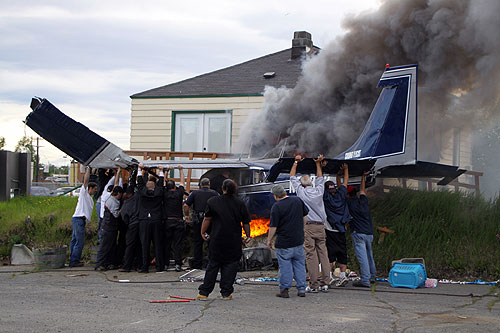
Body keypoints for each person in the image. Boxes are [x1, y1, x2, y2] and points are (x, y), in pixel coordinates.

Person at [197, 179, 251, 300]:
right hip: (234, 240)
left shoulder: (213, 202)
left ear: (223, 188)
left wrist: (203, 232)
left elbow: (207, 219)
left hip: (217, 239)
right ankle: (226, 293)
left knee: (213, 266)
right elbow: (246, 222)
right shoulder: (240, 203)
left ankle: (204, 293)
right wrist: (248, 235)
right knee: (231, 267)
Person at [290, 154, 330, 293]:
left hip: (309, 226)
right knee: (323, 253)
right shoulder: (319, 190)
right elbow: (320, 178)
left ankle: (313, 285)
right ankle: (326, 282)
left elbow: (291, 177)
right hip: (321, 226)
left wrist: (296, 162)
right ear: (311, 183)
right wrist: (318, 163)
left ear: (302, 184)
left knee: (311, 255)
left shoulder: (301, 192)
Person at [266, 184, 309, 298]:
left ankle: (285, 290)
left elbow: (273, 226)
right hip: (298, 240)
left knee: (285, 266)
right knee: (300, 265)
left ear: (276, 196)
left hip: (284, 242)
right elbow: (305, 216)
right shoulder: (297, 201)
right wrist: (303, 229)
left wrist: (269, 240)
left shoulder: (277, 207)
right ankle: (301, 289)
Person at [323, 163, 351, 287]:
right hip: (342, 229)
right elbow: (345, 183)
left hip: (330, 230)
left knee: (330, 254)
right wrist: (345, 170)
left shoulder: (326, 197)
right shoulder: (341, 195)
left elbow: (320, 183)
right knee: (342, 253)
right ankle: (342, 276)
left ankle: (329, 277)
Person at [347, 171, 376, 288]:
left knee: (363, 258)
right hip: (369, 233)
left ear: (348, 195)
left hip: (358, 233)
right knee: (370, 256)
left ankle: (365, 280)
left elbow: (340, 188)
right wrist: (363, 176)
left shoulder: (348, 202)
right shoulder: (363, 200)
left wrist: (340, 176)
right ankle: (372, 276)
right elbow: (363, 190)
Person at [183, 177, 219, 269]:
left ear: (200, 185)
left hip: (198, 221)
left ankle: (198, 264)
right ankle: (211, 262)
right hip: (211, 220)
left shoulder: (194, 193)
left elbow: (186, 205)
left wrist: (187, 216)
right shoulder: (215, 193)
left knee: (198, 242)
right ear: (209, 184)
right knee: (211, 241)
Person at [137, 164, 164, 273]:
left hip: (144, 219)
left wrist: (140, 170)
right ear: (154, 187)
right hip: (156, 219)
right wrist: (161, 171)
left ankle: (144, 267)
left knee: (145, 244)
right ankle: (159, 266)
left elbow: (139, 183)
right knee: (157, 243)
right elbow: (161, 185)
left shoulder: (142, 193)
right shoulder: (158, 192)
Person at [69, 167, 98, 267]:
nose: (95, 191)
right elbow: (86, 181)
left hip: (80, 220)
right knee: (79, 241)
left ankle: (72, 258)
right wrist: (88, 170)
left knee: (74, 240)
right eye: (94, 189)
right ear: (89, 188)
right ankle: (74, 261)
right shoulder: (84, 194)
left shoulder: (89, 199)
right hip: (78, 219)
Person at [95, 185, 124, 271]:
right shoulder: (113, 201)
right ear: (118, 193)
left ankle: (107, 263)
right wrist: (122, 209)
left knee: (111, 247)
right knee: (105, 247)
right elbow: (115, 214)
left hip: (110, 227)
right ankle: (99, 264)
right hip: (108, 227)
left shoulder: (110, 199)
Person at [163, 165, 187, 272]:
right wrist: (181, 170)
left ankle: (165, 264)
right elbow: (183, 182)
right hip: (178, 222)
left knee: (166, 244)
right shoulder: (179, 194)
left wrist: (166, 172)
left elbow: (163, 183)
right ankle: (178, 264)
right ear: (174, 187)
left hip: (167, 221)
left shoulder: (165, 194)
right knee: (178, 244)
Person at [119, 171, 142, 272]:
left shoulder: (126, 205)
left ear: (126, 195)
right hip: (140, 224)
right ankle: (139, 265)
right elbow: (136, 186)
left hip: (132, 225)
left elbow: (125, 219)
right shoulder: (137, 197)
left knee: (130, 245)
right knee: (140, 245)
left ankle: (127, 266)